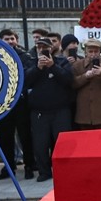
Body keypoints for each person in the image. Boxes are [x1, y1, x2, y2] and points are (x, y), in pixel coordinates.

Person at [23, 29, 74, 182]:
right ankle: (44, 172)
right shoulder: (30, 63)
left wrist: (52, 66)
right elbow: (25, 81)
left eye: (44, 47)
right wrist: (38, 68)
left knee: (62, 144)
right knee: (40, 144)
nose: (41, 50)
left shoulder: (62, 62)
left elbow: (68, 80)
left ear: (51, 49)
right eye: (38, 47)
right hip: (39, 112)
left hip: (60, 110)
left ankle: (64, 171)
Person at [0, 29, 34, 180]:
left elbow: (28, 75)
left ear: (17, 40)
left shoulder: (25, 57)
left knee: (25, 136)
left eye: (12, 38)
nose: (10, 41)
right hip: (3, 104)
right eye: (6, 39)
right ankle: (8, 166)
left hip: (21, 103)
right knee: (5, 137)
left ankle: (29, 165)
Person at [72, 39, 101, 130]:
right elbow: (73, 84)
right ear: (85, 52)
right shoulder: (77, 65)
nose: (93, 54)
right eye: (90, 51)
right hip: (84, 115)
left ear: (100, 52)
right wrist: (85, 76)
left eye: (96, 51)